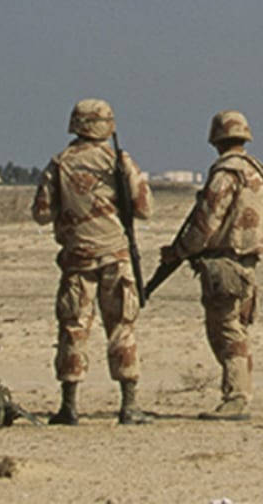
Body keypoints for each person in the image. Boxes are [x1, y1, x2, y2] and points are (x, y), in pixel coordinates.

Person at [32, 98, 154, 426]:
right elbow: (145, 208)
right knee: (122, 328)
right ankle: (129, 405)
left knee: (73, 328)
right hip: (116, 256)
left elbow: (41, 214)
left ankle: (69, 406)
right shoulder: (118, 161)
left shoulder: (58, 164)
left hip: (76, 260)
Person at [160, 110, 263, 421]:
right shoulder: (256, 172)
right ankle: (239, 391)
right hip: (247, 260)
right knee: (236, 328)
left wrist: (179, 251)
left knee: (226, 331)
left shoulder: (225, 174)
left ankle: (236, 397)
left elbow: (206, 222)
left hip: (224, 263)